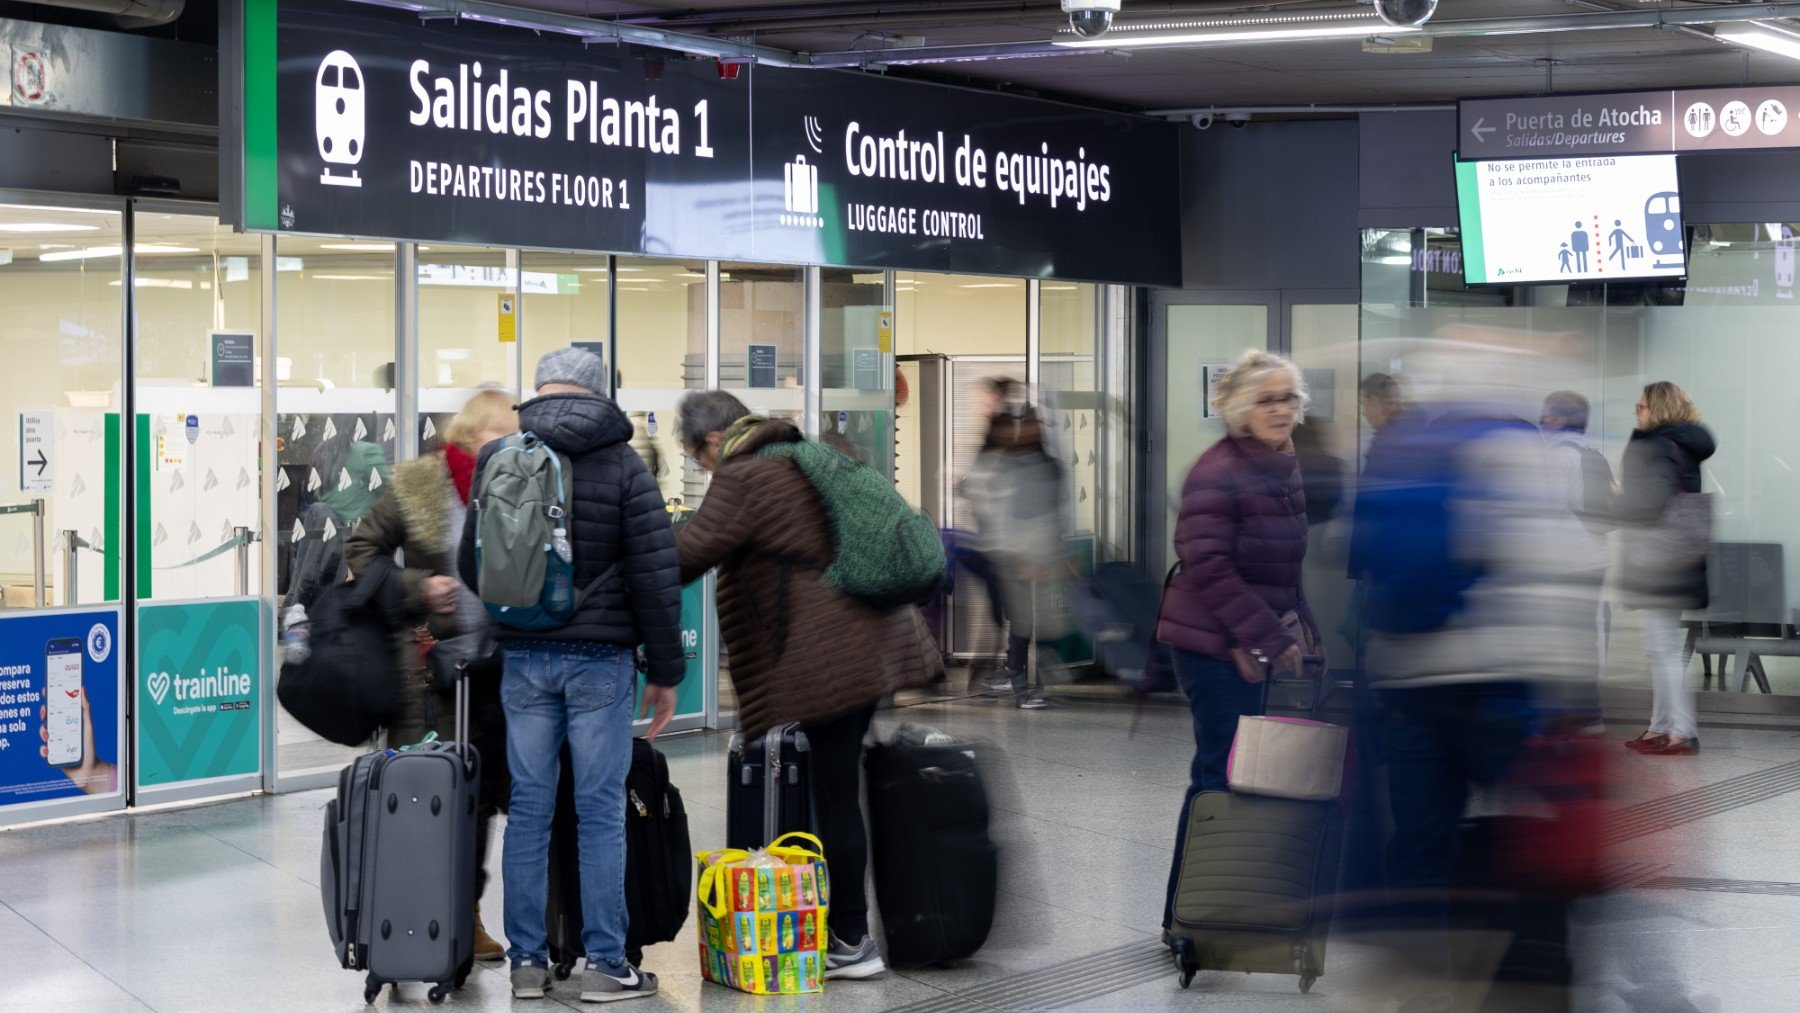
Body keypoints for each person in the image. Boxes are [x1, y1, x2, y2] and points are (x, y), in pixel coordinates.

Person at [673, 390, 941, 982]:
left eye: (697, 457)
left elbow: (684, 556)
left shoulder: (745, 475)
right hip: (872, 640)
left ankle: (852, 937)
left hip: (836, 658)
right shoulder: (802, 455)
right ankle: (851, 926)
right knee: (840, 788)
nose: (702, 468)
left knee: (837, 795)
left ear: (713, 441)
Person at [457, 348, 684, 1003]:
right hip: (601, 661)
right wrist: (666, 670)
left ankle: (526, 963)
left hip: (524, 659)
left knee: (527, 809)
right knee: (599, 811)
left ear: (540, 390)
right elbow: (654, 577)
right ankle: (605, 963)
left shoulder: (501, 456)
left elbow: (474, 567)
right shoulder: (624, 465)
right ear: (597, 391)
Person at [343, 388, 517, 963]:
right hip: (427, 674)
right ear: (468, 437)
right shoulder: (421, 483)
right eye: (501, 434)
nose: (513, 445)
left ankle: (465, 913)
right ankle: (409, 920)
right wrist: (418, 588)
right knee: (423, 796)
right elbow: (361, 549)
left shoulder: (518, 483)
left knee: (483, 796)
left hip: (495, 668)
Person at [1155, 349, 1318, 936]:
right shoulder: (1218, 470)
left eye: (1289, 398)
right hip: (1212, 645)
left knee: (1245, 774)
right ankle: (1187, 916)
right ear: (1239, 410)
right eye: (1268, 399)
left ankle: (1224, 900)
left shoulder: (1281, 466)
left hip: (1253, 638)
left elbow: (1283, 564)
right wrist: (1263, 635)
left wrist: (1299, 623)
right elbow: (1208, 565)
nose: (1281, 409)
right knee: (1218, 775)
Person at [1616, 381, 1715, 757]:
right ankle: (1662, 726)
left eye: (1640, 407)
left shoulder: (1658, 444)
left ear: (1657, 409)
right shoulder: (1681, 444)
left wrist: (1616, 499)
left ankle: (1683, 730)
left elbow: (1650, 503)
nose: (1636, 412)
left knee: (1663, 649)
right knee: (1660, 647)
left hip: (1659, 558)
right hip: (1676, 556)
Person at [961, 377, 1070, 708]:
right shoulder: (999, 460)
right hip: (1006, 552)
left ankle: (1011, 672)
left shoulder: (1040, 463)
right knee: (1014, 615)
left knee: (1023, 617)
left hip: (1025, 552)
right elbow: (986, 501)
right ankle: (1016, 679)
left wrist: (1049, 552)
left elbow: (1049, 508)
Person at [1540, 390, 1615, 717]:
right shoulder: (1592, 452)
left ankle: (1577, 711)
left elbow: (1550, 508)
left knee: (1568, 635)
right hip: (1595, 552)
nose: (1541, 421)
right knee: (1588, 628)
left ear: (1558, 418)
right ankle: (1587, 708)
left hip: (1566, 556)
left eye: (1545, 415)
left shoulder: (1558, 456)